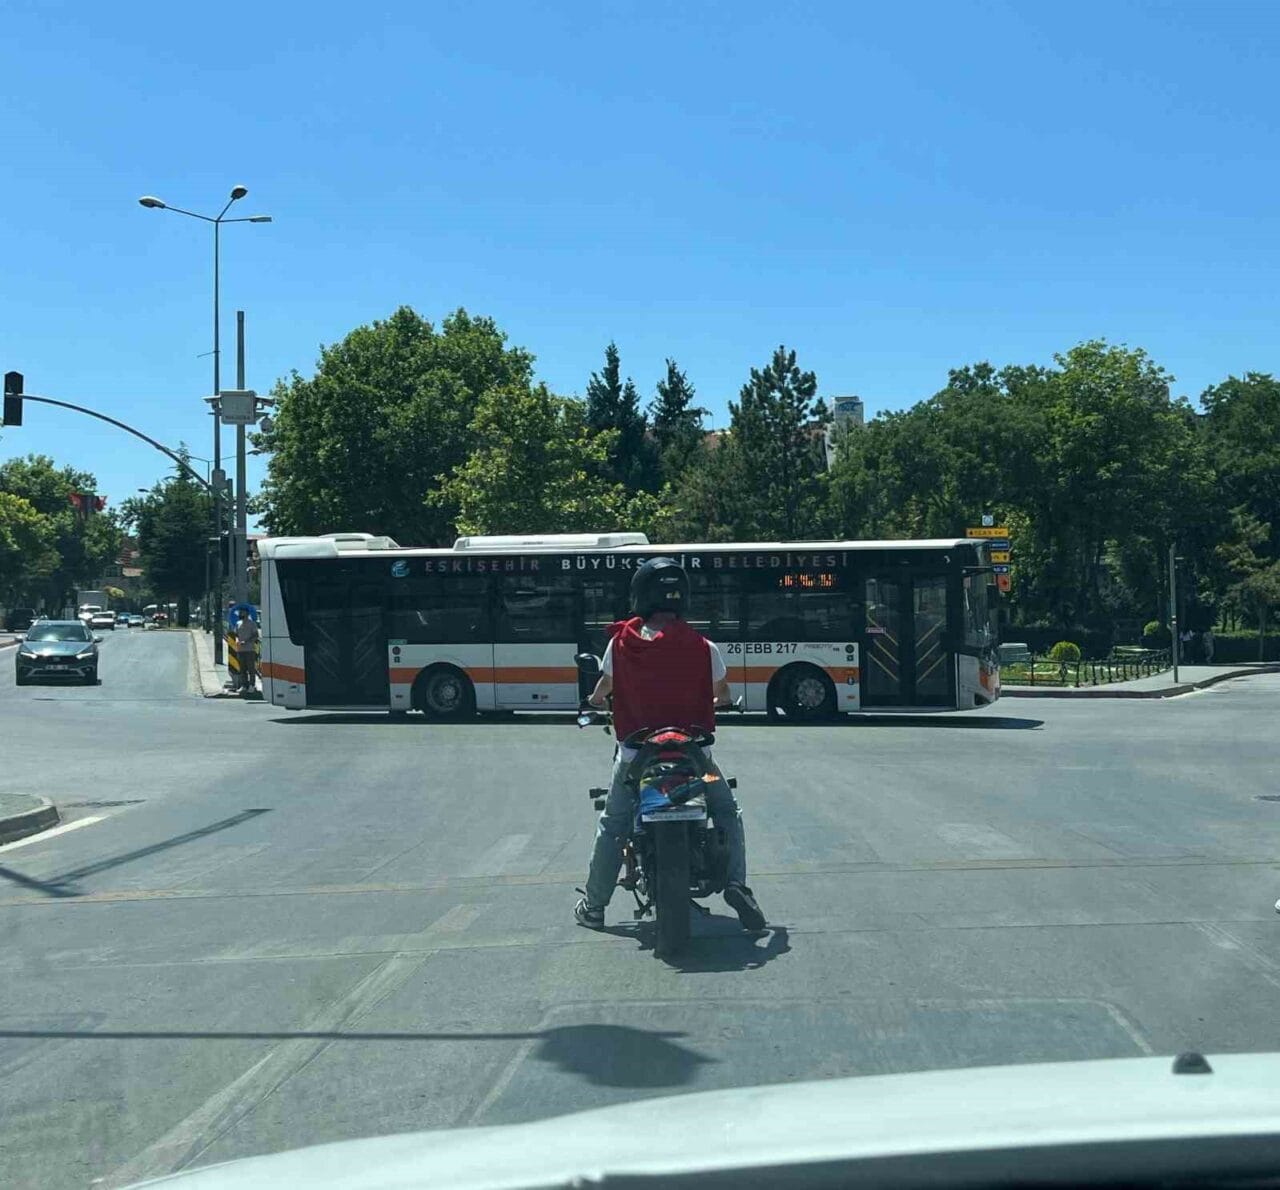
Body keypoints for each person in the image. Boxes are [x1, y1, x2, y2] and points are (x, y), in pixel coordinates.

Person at [574, 557, 766, 933]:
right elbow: (722, 695)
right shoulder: (703, 646)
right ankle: (736, 884)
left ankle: (594, 907)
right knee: (727, 811)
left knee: (613, 823)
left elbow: (602, 692)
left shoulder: (620, 643)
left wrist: (596, 703)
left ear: (640, 595)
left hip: (635, 757)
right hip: (695, 758)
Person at [234, 610, 260, 691]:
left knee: (251, 669)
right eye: (241, 612)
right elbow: (236, 634)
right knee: (242, 669)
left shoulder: (252, 624)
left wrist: (246, 641)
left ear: (247, 613)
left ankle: (252, 685)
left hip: (249, 649)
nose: (241, 614)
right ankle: (244, 685)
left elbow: (256, 635)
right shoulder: (238, 623)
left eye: (243, 612)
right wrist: (237, 640)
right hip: (240, 650)